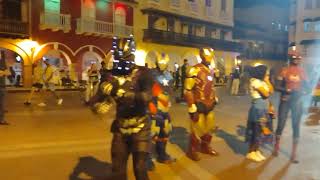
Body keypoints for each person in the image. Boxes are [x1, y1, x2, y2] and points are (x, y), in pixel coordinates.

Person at [93, 36, 153, 180]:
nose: (122, 61)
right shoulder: (110, 76)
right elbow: (96, 100)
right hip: (120, 127)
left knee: (140, 169)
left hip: (141, 127)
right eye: (119, 57)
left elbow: (147, 97)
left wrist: (123, 93)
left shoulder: (143, 73)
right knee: (118, 171)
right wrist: (99, 104)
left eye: (125, 57)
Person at [184, 47, 219, 161]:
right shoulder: (194, 70)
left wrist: (214, 97)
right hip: (198, 103)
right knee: (196, 128)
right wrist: (191, 105)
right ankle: (192, 150)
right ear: (202, 56)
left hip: (209, 103)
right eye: (207, 56)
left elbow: (211, 86)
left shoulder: (210, 70)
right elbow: (187, 89)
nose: (209, 58)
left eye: (210, 56)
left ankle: (205, 146)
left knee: (209, 127)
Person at [273, 51, 308, 163]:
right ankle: (276, 148)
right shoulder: (285, 70)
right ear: (291, 59)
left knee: (296, 126)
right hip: (285, 100)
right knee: (281, 124)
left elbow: (308, 87)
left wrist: (304, 91)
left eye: (298, 58)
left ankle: (293, 154)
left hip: (297, 101)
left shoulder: (302, 72)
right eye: (294, 58)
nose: (297, 60)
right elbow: (276, 86)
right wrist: (286, 90)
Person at [149, 55, 175, 164]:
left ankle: (162, 155)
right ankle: (147, 160)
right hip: (154, 107)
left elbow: (169, 89)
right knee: (152, 133)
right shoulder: (151, 74)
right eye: (161, 62)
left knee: (165, 132)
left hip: (164, 108)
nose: (163, 64)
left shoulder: (168, 75)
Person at [245, 65, 274, 162]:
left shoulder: (262, 81)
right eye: (266, 72)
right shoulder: (255, 81)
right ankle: (250, 152)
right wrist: (267, 83)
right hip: (258, 110)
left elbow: (272, 91)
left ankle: (256, 151)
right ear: (261, 72)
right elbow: (266, 94)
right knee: (255, 132)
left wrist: (267, 81)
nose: (267, 74)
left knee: (260, 132)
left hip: (264, 109)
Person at [0, 50, 11, 125]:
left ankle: (2, 120)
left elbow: (8, 73)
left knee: (2, 105)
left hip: (2, 86)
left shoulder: (2, 63)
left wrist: (2, 72)